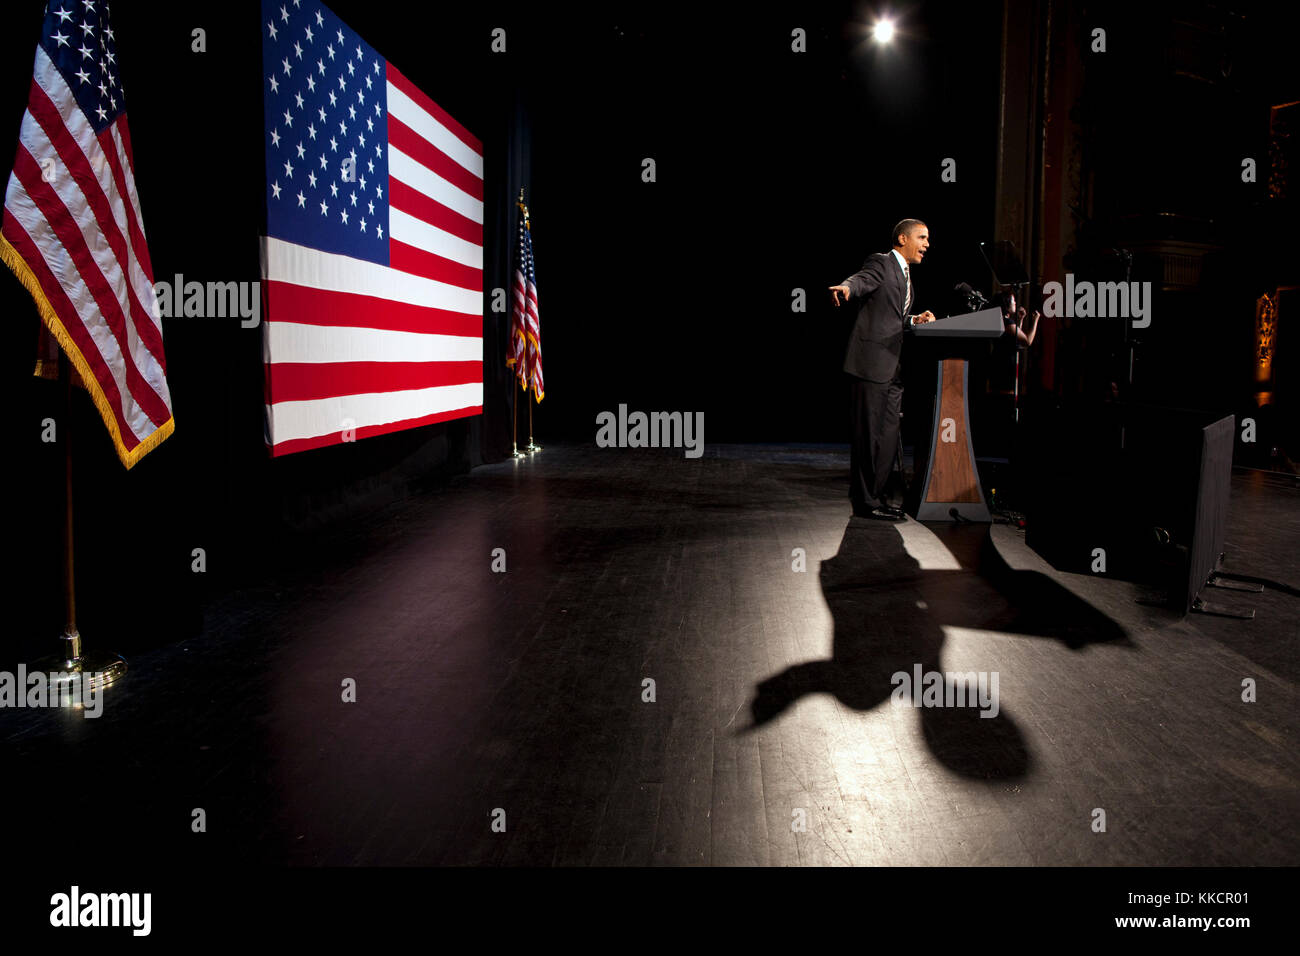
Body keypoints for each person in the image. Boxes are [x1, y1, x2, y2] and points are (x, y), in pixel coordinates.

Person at [828, 219, 936, 520]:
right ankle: (865, 502)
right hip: (870, 364)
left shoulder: (906, 275)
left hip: (893, 369)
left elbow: (893, 318)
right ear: (903, 238)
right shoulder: (882, 262)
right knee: (868, 436)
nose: (927, 244)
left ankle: (877, 496)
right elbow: (862, 279)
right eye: (922, 238)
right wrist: (847, 288)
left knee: (888, 437)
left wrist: (914, 320)